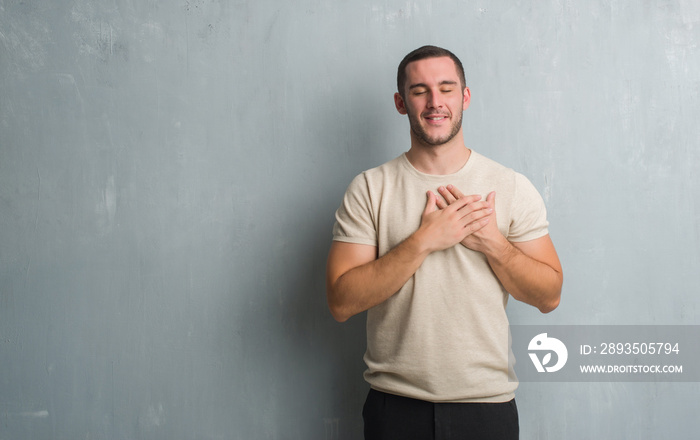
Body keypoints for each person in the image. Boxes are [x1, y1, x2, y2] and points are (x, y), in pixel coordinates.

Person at [326, 45, 563, 439]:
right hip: (395, 407)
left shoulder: (511, 186)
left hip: (487, 407)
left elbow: (549, 296)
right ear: (401, 103)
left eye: (446, 88)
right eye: (420, 91)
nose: (435, 102)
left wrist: (492, 244)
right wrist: (422, 242)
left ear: (465, 97)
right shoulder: (370, 188)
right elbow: (340, 302)